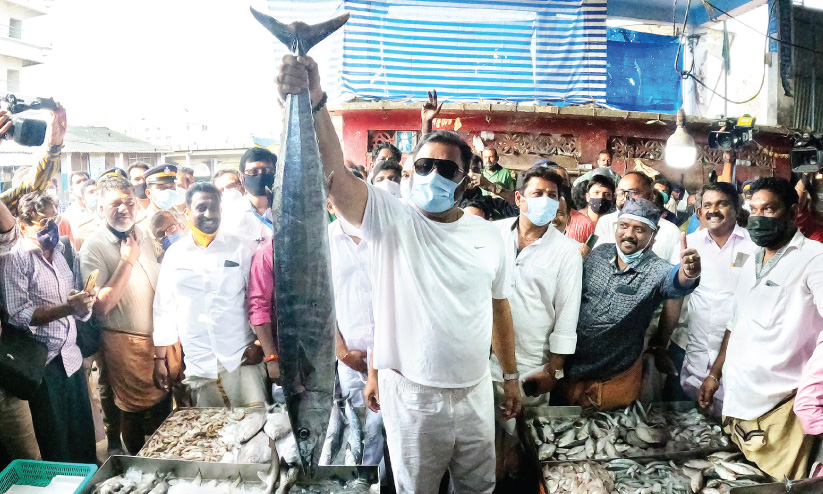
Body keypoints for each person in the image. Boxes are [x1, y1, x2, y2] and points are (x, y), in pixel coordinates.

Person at [277, 54, 521, 494]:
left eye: (446, 169)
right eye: (424, 166)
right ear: (411, 171)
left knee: (478, 488)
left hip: (476, 393)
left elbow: (499, 308)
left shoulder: (489, 235)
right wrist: (315, 100)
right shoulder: (391, 217)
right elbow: (334, 177)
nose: (433, 175)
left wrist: (510, 376)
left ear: (465, 181)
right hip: (412, 396)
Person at [702, 178, 823, 480]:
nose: (758, 217)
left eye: (768, 209)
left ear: (792, 212)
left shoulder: (814, 258)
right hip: (737, 403)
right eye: (754, 209)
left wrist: (813, 390)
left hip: (781, 410)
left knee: (774, 486)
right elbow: (736, 321)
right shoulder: (750, 256)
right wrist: (715, 374)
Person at [562, 198, 700, 410]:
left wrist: (688, 274)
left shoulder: (656, 269)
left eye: (639, 230)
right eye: (624, 226)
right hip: (570, 372)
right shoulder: (599, 254)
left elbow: (676, 282)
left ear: (654, 235)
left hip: (616, 378)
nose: (629, 234)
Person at [490, 167, 581, 479]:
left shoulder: (566, 252)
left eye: (552, 196)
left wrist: (554, 370)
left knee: (524, 452)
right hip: (483, 364)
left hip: (531, 368)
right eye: (537, 193)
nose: (545, 200)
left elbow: (567, 316)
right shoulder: (493, 235)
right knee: (484, 450)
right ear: (519, 198)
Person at [80, 176, 181, 454]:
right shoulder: (93, 246)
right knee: (132, 411)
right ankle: (136, 461)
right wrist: (127, 260)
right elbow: (100, 307)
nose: (124, 208)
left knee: (163, 407)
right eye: (115, 204)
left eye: (129, 201)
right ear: (101, 208)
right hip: (126, 345)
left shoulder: (144, 233)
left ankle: (163, 460)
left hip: (160, 340)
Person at [0, 192, 97, 463]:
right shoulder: (15, 258)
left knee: (82, 435)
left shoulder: (63, 250)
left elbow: (74, 295)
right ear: (23, 225)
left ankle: (90, 478)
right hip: (44, 363)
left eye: (54, 219)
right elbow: (18, 315)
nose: (51, 227)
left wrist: (84, 303)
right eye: (43, 222)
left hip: (72, 357)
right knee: (56, 441)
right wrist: (67, 308)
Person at [152, 183, 267, 407]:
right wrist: (160, 359)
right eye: (201, 208)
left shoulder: (240, 247)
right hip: (200, 363)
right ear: (187, 213)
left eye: (214, 208)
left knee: (254, 423)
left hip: (241, 359)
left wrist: (260, 343)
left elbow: (257, 300)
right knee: (210, 427)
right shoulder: (175, 255)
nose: (208, 214)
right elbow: (164, 308)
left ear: (221, 211)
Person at [677, 183, 755, 417]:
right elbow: (676, 293)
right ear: (699, 211)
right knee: (694, 423)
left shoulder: (753, 245)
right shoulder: (689, 244)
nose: (713, 210)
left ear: (737, 208)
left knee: (732, 421)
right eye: (708, 205)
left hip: (737, 353)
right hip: (696, 351)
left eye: (722, 204)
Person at [323, 200, 385, 466]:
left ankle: (386, 480)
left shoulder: (383, 235)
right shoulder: (324, 241)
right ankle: (364, 479)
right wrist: (341, 352)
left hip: (389, 355)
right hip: (350, 354)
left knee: (389, 427)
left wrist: (377, 362)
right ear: (330, 206)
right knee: (359, 428)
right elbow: (321, 301)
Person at [221, 148, 275, 246]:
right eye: (253, 171)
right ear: (241, 177)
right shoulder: (230, 214)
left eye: (266, 170)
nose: (260, 175)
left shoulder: (287, 211)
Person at [566, 175, 614, 244]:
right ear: (587, 197)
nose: (601, 197)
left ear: (612, 198)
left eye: (606, 194)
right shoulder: (577, 223)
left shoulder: (613, 222)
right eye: (596, 193)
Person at [72, 179, 101, 249]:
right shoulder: (81, 228)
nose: (95, 195)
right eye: (91, 192)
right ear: (83, 199)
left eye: (97, 192)